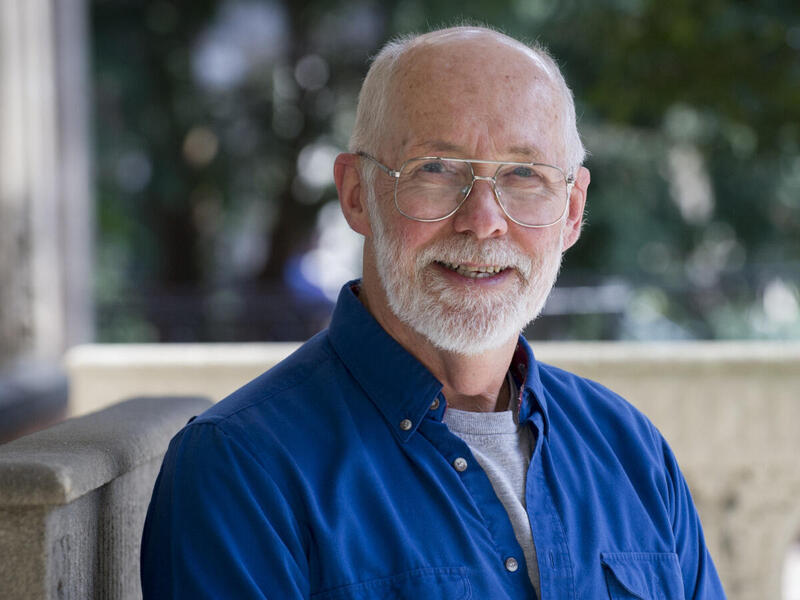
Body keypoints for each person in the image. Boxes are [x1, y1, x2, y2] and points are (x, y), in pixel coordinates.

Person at [141, 26, 726, 599]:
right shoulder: (242, 471)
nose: (484, 220)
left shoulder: (632, 452)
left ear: (572, 211)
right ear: (356, 194)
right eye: (436, 169)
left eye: (524, 174)